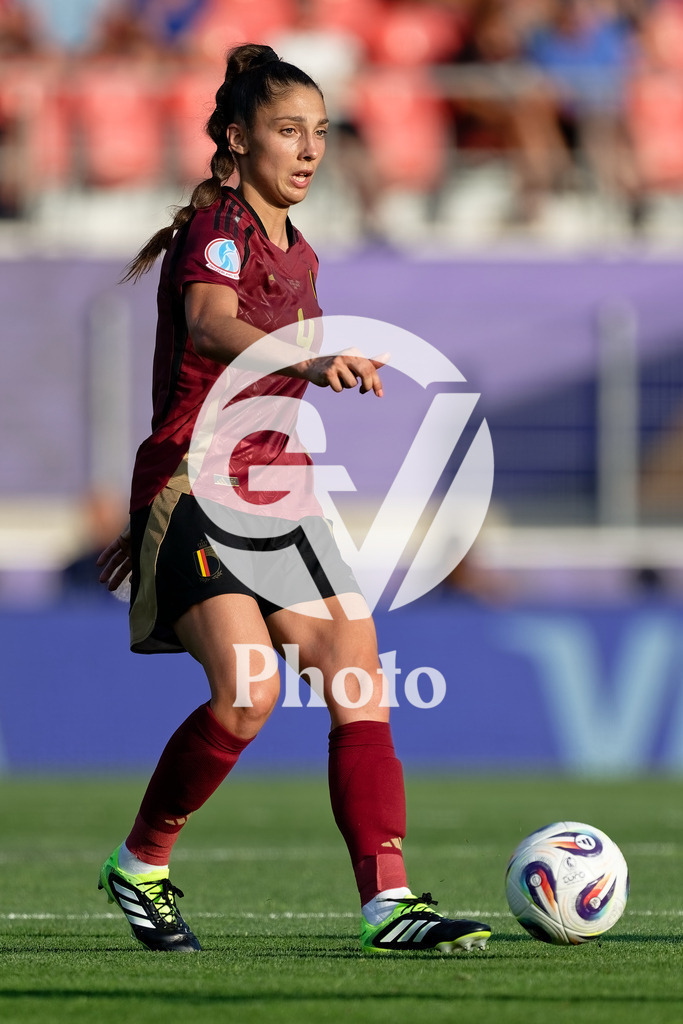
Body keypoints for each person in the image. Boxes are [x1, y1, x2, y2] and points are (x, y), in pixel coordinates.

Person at [96, 42, 491, 955]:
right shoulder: (220, 230)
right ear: (235, 140)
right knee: (247, 693)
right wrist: (308, 357)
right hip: (194, 482)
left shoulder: (301, 253)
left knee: (357, 679)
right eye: (287, 131)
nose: (309, 150)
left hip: (278, 492)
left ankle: (388, 905)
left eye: (318, 133)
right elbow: (207, 321)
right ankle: (140, 863)